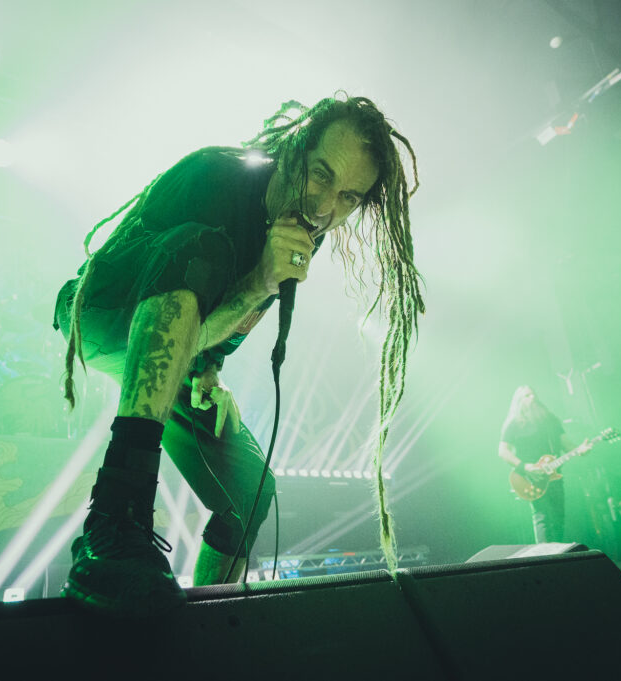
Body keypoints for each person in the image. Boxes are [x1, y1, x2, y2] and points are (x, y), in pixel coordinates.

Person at [52, 95, 425, 616]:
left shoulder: (298, 235)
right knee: (200, 247)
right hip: (98, 313)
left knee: (250, 493)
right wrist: (254, 287)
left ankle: (204, 617)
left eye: (348, 197)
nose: (324, 207)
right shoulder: (215, 174)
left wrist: (209, 367)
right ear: (295, 149)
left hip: (178, 345)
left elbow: (215, 323)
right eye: (321, 175)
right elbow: (169, 276)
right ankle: (115, 522)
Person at [498, 386, 592, 543]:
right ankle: (545, 559)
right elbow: (503, 451)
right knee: (543, 517)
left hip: (554, 476)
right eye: (527, 396)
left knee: (558, 517)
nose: (532, 397)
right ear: (519, 402)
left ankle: (558, 557)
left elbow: (566, 444)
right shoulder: (514, 423)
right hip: (531, 477)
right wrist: (525, 467)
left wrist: (581, 449)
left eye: (533, 394)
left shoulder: (550, 420)